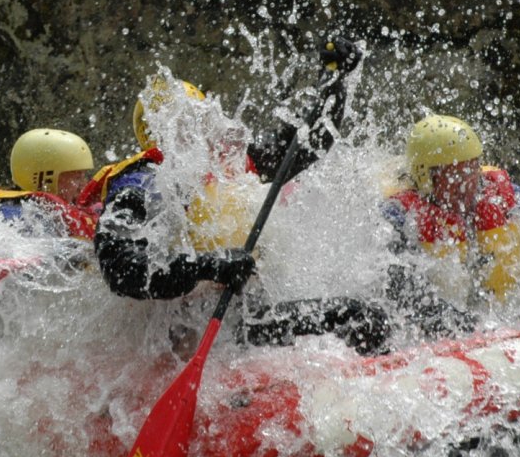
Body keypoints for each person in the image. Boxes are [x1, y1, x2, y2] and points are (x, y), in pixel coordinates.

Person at [241, 114, 520, 353]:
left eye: (473, 169)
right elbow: (404, 292)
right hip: (441, 330)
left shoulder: (501, 197)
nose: (470, 183)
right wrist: (474, 332)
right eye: (456, 175)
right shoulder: (394, 219)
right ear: (427, 177)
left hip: (490, 318)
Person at [88, 38, 362, 301]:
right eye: (183, 124)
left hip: (240, 304)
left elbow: (305, 144)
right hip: (182, 319)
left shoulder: (227, 163)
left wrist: (335, 84)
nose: (200, 131)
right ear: (157, 135)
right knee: (356, 316)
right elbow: (118, 268)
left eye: (201, 119)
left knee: (358, 314)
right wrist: (209, 266)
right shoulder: (141, 181)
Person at [0, 128, 100, 239]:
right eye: (75, 178)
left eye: (83, 176)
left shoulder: (73, 211)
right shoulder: (15, 213)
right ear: (45, 178)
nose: (83, 185)